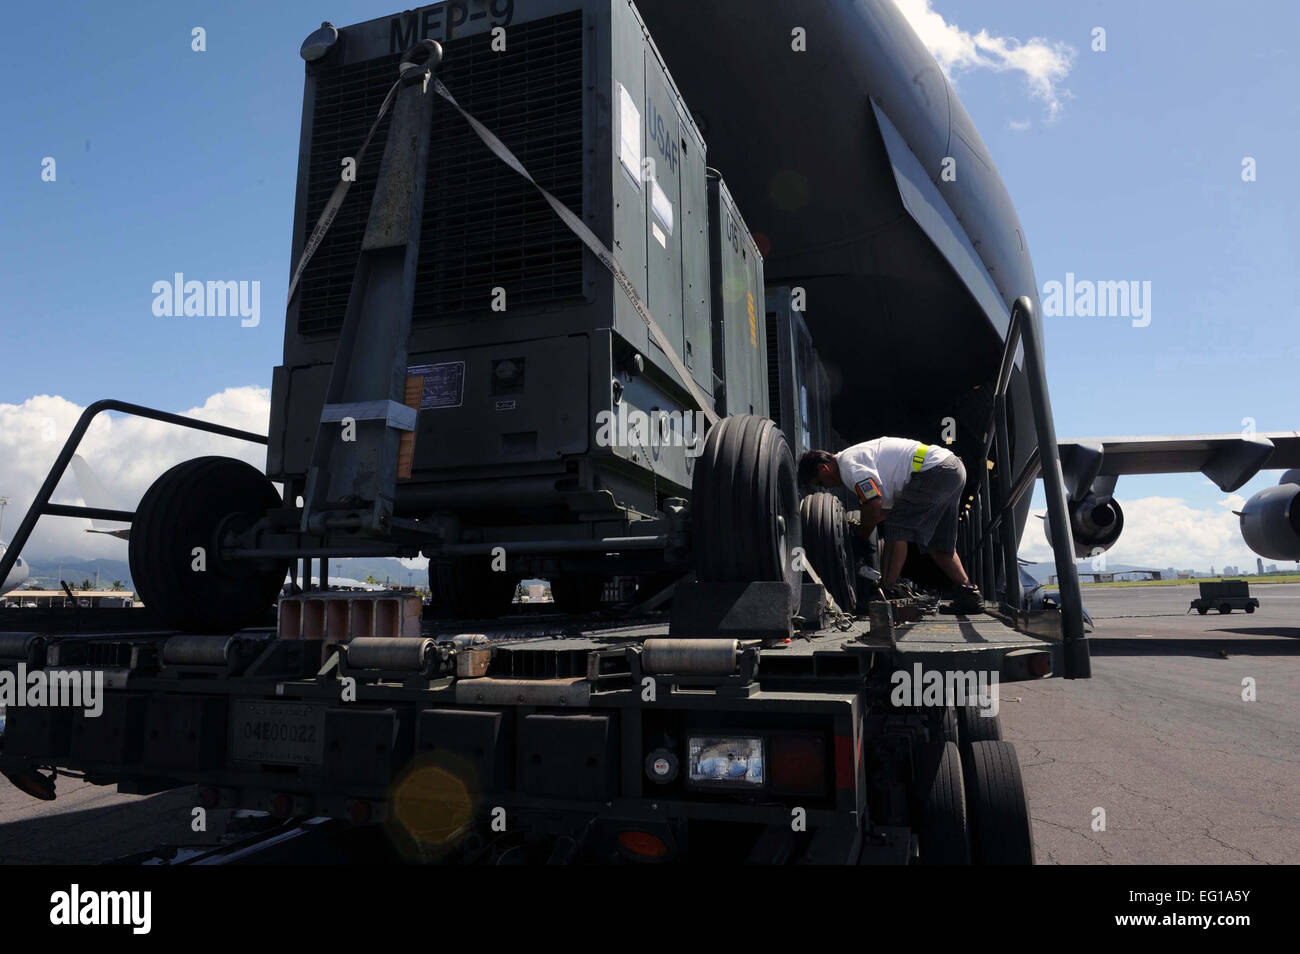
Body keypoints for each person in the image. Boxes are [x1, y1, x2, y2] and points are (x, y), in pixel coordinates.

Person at [797, 437, 984, 613]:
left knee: (896, 529)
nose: (826, 488)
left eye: (821, 483)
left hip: (935, 471)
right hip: (951, 469)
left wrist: (861, 534)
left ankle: (885, 593)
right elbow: (884, 511)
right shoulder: (856, 458)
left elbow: (873, 503)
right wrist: (865, 524)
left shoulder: (850, 466)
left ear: (824, 468)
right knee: (939, 544)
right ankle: (970, 594)